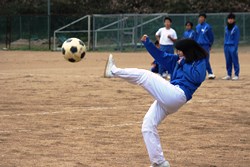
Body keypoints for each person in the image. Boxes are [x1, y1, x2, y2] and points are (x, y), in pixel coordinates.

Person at [104, 35, 208, 167]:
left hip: (178, 95)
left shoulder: (200, 61)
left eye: (180, 51)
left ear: (188, 50)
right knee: (148, 124)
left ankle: (113, 71)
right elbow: (161, 56)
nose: (178, 53)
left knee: (145, 75)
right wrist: (147, 43)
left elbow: (197, 78)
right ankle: (159, 162)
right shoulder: (177, 60)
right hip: (170, 95)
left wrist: (184, 63)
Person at [196, 13, 216, 79]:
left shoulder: (208, 27)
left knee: (205, 59)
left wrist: (210, 44)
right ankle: (201, 74)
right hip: (198, 45)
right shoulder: (197, 27)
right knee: (198, 60)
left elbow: (211, 36)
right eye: (200, 17)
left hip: (205, 45)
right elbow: (196, 36)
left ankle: (210, 73)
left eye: (202, 17)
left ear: (204, 19)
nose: (200, 19)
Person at [222, 13, 240, 80]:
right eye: (229, 19)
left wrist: (235, 48)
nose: (230, 20)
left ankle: (236, 74)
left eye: (231, 19)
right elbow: (225, 37)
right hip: (226, 46)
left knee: (235, 60)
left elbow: (236, 38)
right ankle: (228, 74)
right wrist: (224, 45)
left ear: (234, 20)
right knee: (228, 60)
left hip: (232, 46)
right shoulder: (226, 28)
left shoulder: (236, 28)